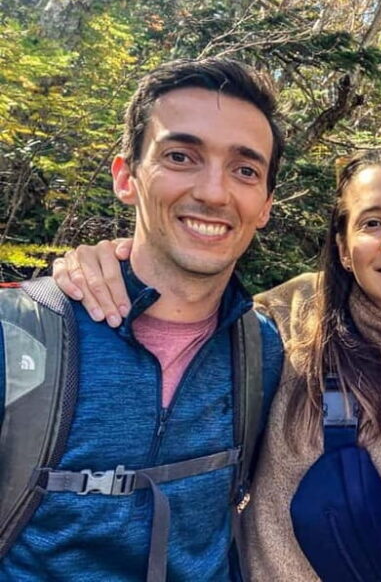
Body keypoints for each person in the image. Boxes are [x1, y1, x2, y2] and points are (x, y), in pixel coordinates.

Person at [50, 148, 381, 581]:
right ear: (343, 250)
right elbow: (182, 308)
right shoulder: (290, 314)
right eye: (370, 223)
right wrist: (107, 265)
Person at [0, 58, 285, 581]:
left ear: (265, 205)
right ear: (126, 177)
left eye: (245, 170)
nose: (215, 192)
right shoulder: (15, 334)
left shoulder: (261, 350)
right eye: (181, 156)